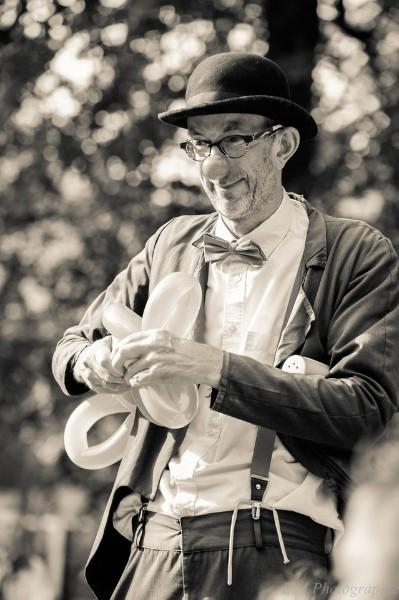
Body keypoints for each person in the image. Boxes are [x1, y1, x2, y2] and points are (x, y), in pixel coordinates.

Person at [52, 52, 399, 600]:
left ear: (282, 145)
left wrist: (210, 367)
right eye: (199, 145)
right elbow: (71, 346)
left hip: (279, 546)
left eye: (233, 141)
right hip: (155, 542)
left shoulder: (354, 252)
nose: (213, 167)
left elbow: (368, 411)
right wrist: (93, 364)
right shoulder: (170, 243)